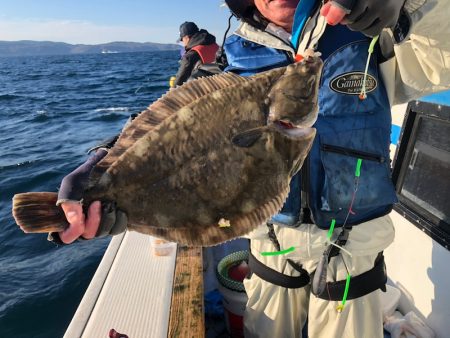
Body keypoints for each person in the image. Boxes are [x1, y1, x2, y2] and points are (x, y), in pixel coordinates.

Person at [50, 0, 450, 337]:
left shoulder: (372, 38)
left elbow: (441, 60)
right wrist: (99, 165)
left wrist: (408, 7)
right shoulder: (227, 59)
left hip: (353, 251)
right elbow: (166, 123)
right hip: (272, 246)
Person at [172, 21, 219, 87]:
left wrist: (173, 88)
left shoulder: (191, 55)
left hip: (207, 90)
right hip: (223, 84)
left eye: (182, 40)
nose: (183, 43)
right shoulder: (215, 45)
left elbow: (180, 80)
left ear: (186, 37)